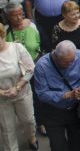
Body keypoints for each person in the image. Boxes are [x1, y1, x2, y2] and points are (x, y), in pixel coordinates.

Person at [34, 40, 80, 151]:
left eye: (72, 61)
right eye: (66, 62)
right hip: (53, 112)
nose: (70, 65)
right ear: (56, 57)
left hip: (75, 110)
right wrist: (67, 95)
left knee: (77, 145)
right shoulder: (41, 66)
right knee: (58, 146)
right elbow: (42, 93)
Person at [0, 23, 38, 151]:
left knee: (28, 121)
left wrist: (17, 87)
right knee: (7, 129)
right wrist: (2, 92)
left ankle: (31, 137)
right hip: (2, 99)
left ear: (2, 35)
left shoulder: (17, 48)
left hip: (22, 92)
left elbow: (30, 69)